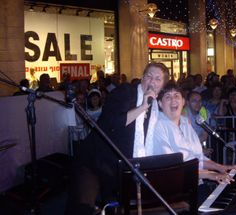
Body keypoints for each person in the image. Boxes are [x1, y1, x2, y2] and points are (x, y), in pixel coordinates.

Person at [65, 62, 169, 215]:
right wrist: (141, 107)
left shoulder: (156, 107)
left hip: (118, 166)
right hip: (93, 159)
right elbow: (109, 124)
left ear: (162, 85)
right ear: (142, 78)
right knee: (82, 207)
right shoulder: (125, 92)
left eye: (158, 79)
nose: (152, 81)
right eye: (149, 76)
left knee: (113, 207)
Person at [152, 83, 236, 201]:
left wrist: (221, 167)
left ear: (183, 102)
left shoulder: (185, 122)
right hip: (176, 192)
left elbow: (198, 158)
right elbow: (173, 168)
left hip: (196, 184)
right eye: (168, 97)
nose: (173, 100)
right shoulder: (158, 126)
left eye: (176, 96)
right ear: (160, 104)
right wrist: (210, 174)